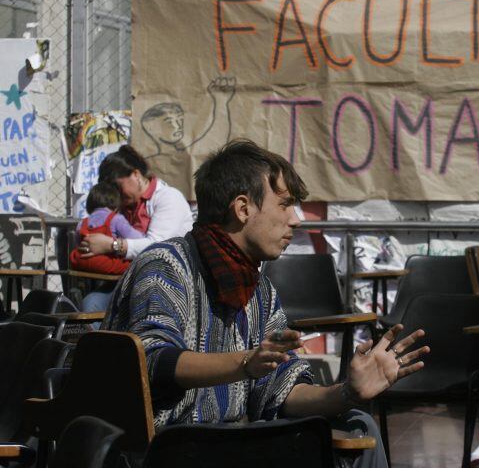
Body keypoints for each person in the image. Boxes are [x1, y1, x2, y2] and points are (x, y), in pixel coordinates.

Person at [102, 140, 429, 468]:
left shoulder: (260, 291)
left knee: (359, 424)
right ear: (243, 208)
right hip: (170, 447)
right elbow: (151, 360)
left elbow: (282, 388)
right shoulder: (167, 265)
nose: (296, 219)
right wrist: (245, 363)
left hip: (235, 443)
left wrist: (347, 393)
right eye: (285, 204)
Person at [78, 145, 194, 313]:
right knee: (91, 303)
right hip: (129, 280)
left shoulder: (168, 198)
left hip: (166, 281)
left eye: (118, 187)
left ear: (136, 175)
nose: (116, 194)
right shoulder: (124, 206)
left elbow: (157, 246)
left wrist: (112, 245)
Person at [69, 182, 144, 275]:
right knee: (134, 264)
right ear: (116, 206)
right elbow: (136, 238)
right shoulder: (116, 219)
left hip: (82, 262)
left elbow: (78, 243)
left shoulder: (82, 222)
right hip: (106, 264)